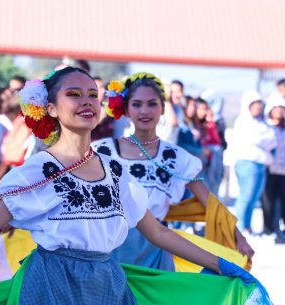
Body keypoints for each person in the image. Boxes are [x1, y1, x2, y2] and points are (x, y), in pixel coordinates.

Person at [0, 68, 285, 305]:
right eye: (73, 94)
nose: (86, 102)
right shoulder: (37, 171)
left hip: (109, 288)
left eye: (92, 96)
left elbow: (159, 232)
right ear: (49, 108)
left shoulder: (116, 172)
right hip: (51, 289)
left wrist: (222, 264)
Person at [93, 73, 253, 270]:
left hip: (155, 250)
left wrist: (238, 236)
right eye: (137, 104)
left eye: (152, 103)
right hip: (108, 248)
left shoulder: (177, 158)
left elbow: (210, 202)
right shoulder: (101, 151)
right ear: (125, 109)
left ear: (163, 109)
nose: (145, 111)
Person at [232, 91, 276, 234]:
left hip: (261, 163)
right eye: (255, 105)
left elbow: (272, 139)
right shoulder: (243, 121)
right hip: (247, 163)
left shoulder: (262, 122)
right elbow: (255, 139)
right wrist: (265, 140)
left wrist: (265, 140)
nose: (258, 108)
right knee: (246, 195)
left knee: (254, 197)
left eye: (260, 105)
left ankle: (247, 226)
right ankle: (238, 227)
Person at [261, 105, 285, 243]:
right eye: (276, 109)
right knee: (268, 201)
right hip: (270, 169)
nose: (279, 112)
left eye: (282, 109)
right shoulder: (266, 128)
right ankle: (268, 230)